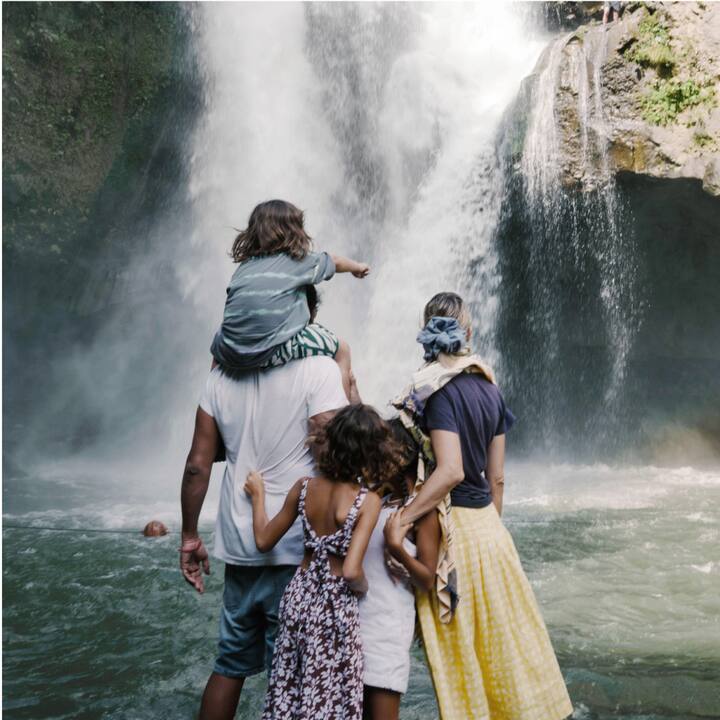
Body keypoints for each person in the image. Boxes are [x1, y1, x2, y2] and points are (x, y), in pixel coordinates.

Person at [393, 292, 573, 720]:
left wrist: (401, 520)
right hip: (492, 533)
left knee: (459, 663)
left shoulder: (435, 393)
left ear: (426, 333)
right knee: (505, 654)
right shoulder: (491, 390)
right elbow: (497, 480)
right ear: (468, 333)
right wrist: (492, 531)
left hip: (453, 532)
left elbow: (450, 471)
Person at [179, 354, 348, 720]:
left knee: (228, 663)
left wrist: (189, 535)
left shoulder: (221, 376)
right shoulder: (320, 369)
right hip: (295, 549)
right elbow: (343, 449)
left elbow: (197, 465)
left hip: (238, 545)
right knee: (290, 672)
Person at [244, 404, 402, 720]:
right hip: (334, 610)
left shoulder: (304, 487)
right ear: (373, 453)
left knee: (291, 687)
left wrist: (258, 496)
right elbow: (351, 571)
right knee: (330, 698)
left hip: (298, 600)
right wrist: (367, 588)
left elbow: (263, 540)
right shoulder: (366, 501)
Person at [210, 199, 369, 398]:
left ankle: (213, 394)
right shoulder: (298, 261)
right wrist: (357, 267)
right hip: (271, 350)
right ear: (294, 231)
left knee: (219, 343)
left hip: (230, 353)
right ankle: (342, 416)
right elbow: (334, 261)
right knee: (342, 350)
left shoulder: (243, 269)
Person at [360, 419, 441, 720]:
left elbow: (427, 579)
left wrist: (397, 550)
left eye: (377, 453)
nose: (370, 459)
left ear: (400, 457)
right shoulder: (376, 502)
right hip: (354, 625)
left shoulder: (422, 512)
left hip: (387, 632)